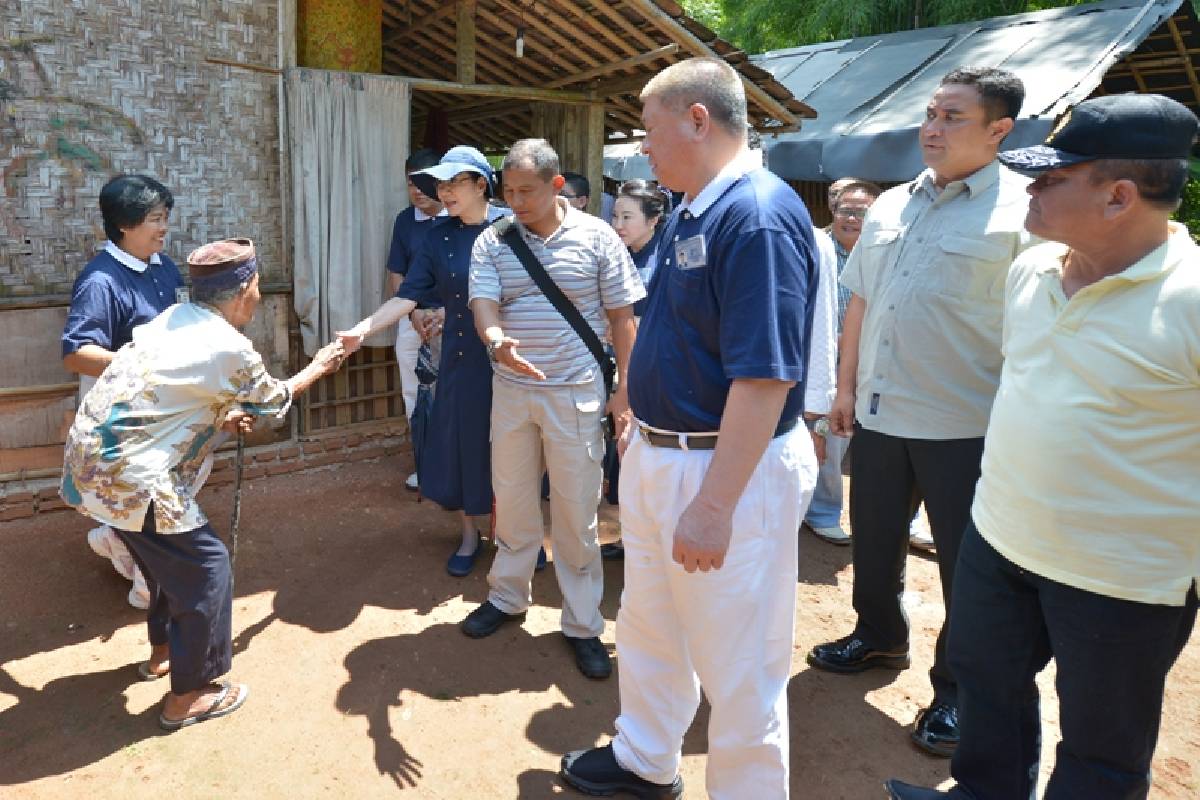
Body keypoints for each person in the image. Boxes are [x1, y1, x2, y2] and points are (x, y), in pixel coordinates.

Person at [885, 93, 1200, 800]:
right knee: (988, 692)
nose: (1030, 187)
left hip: (1121, 580)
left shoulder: (1192, 300)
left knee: (1101, 748)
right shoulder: (1031, 272)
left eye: (1053, 178)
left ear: (1120, 196)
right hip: (1000, 541)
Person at [560, 57, 820, 800]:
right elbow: (673, 329)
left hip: (722, 471)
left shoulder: (757, 216)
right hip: (661, 451)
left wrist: (713, 505)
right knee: (649, 622)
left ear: (698, 120)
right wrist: (632, 406)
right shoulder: (696, 206)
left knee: (740, 660)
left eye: (649, 132)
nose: (642, 150)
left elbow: (765, 377)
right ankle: (646, 757)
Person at [807, 67, 1036, 759]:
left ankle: (958, 692)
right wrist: (843, 389)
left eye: (952, 117)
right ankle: (878, 636)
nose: (931, 129)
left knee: (971, 572)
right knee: (871, 545)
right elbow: (860, 302)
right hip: (879, 414)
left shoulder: (1026, 211)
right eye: (930, 113)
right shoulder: (891, 204)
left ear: (1000, 129)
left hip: (967, 426)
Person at [60, 238, 344, 730]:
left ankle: (164, 653)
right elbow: (273, 405)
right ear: (247, 289)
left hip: (91, 466)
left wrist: (223, 413)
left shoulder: (169, 320)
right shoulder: (230, 347)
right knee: (208, 569)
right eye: (256, 285)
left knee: (165, 562)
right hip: (134, 478)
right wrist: (320, 366)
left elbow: (169, 394)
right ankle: (188, 696)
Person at [462, 138, 644, 680]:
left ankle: (583, 623)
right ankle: (507, 596)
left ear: (557, 185)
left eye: (526, 192)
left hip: (575, 391)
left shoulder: (598, 237)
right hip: (512, 391)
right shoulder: (493, 240)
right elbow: (484, 303)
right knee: (513, 500)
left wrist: (625, 390)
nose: (514, 202)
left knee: (575, 511)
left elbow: (622, 318)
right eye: (507, 191)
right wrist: (496, 339)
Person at [339, 146, 505, 577]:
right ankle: (469, 534)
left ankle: (514, 535)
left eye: (454, 183)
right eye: (441, 184)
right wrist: (363, 330)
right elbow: (408, 294)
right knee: (463, 446)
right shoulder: (437, 236)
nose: (444, 192)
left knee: (512, 449)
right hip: (461, 358)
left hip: (510, 359)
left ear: (481, 184)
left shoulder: (511, 229)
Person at [61, 174, 185, 610]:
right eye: (156, 218)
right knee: (150, 499)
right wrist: (141, 361)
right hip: (121, 414)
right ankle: (148, 585)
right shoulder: (101, 281)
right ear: (125, 225)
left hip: (165, 406)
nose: (164, 227)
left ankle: (113, 538)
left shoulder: (163, 266)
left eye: (165, 217)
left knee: (167, 489)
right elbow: (77, 353)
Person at [803, 179, 880, 546]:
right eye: (845, 210)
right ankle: (822, 512)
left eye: (861, 212)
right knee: (830, 440)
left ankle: (906, 521)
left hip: (874, 362)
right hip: (825, 360)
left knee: (876, 446)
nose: (851, 218)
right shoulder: (814, 245)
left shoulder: (883, 250)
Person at [600, 179, 669, 555]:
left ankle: (651, 539)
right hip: (619, 365)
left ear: (654, 218)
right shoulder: (617, 253)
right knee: (623, 451)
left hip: (655, 369)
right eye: (615, 215)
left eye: (628, 216)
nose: (618, 224)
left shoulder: (665, 257)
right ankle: (631, 536)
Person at [385, 148, 445, 492]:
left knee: (453, 394)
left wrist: (443, 314)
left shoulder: (458, 219)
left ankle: (456, 466)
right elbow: (397, 274)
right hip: (412, 322)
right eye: (411, 184)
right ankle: (426, 465)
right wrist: (414, 313)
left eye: (424, 183)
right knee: (415, 394)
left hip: (457, 322)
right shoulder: (405, 221)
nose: (418, 191)